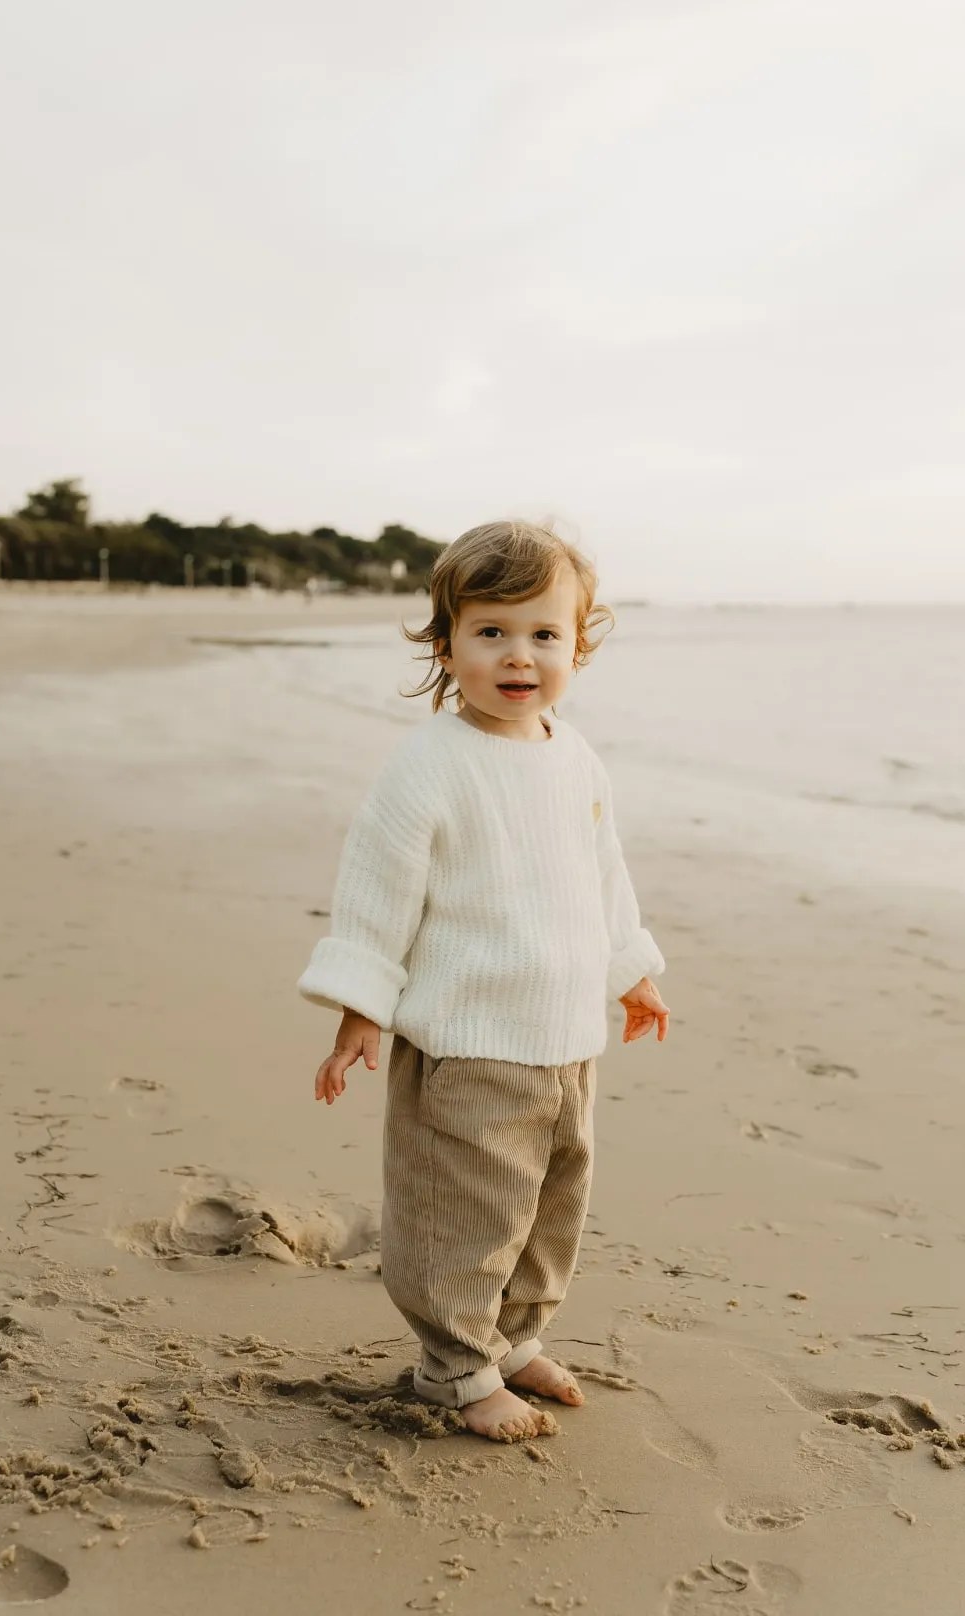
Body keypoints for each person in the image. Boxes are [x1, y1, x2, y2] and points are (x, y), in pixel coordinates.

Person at [299, 519, 669, 1443]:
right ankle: (453, 1369)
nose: (519, 656)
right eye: (491, 632)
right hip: (467, 1042)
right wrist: (359, 1013)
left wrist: (632, 972)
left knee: (548, 1210)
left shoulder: (574, 756)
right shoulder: (429, 765)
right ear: (446, 643)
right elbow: (379, 894)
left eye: (544, 634)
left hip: (564, 1041)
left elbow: (603, 875)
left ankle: (512, 1340)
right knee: (465, 1214)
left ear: (577, 646)